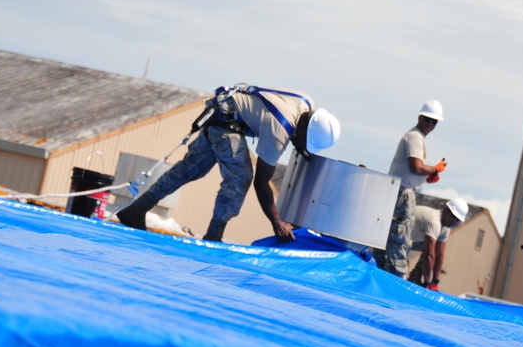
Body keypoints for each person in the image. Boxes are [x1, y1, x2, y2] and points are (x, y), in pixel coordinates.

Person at [116, 84, 340, 242]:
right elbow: (262, 184)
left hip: (221, 112)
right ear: (304, 130)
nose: (298, 144)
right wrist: (277, 221)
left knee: (189, 169)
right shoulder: (279, 130)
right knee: (241, 176)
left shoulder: (304, 101)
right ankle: (214, 235)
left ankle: (137, 208)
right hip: (226, 124)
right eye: (303, 141)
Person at [374, 100, 447, 278]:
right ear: (420, 117)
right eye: (428, 120)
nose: (430, 124)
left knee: (388, 242)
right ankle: (394, 284)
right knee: (399, 243)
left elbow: (415, 170)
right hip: (403, 195)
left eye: (434, 122)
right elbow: (416, 166)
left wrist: (425, 176)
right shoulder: (415, 137)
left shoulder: (415, 137)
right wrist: (434, 169)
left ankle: (380, 276)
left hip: (399, 192)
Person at [407, 198, 468, 290]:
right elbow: (429, 254)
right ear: (446, 210)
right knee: (397, 269)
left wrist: (435, 281)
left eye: (457, 219)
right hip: (395, 234)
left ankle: (415, 278)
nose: (454, 221)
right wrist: (427, 283)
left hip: (411, 240)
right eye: (453, 216)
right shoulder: (434, 222)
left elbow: (439, 254)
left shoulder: (446, 228)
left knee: (433, 248)